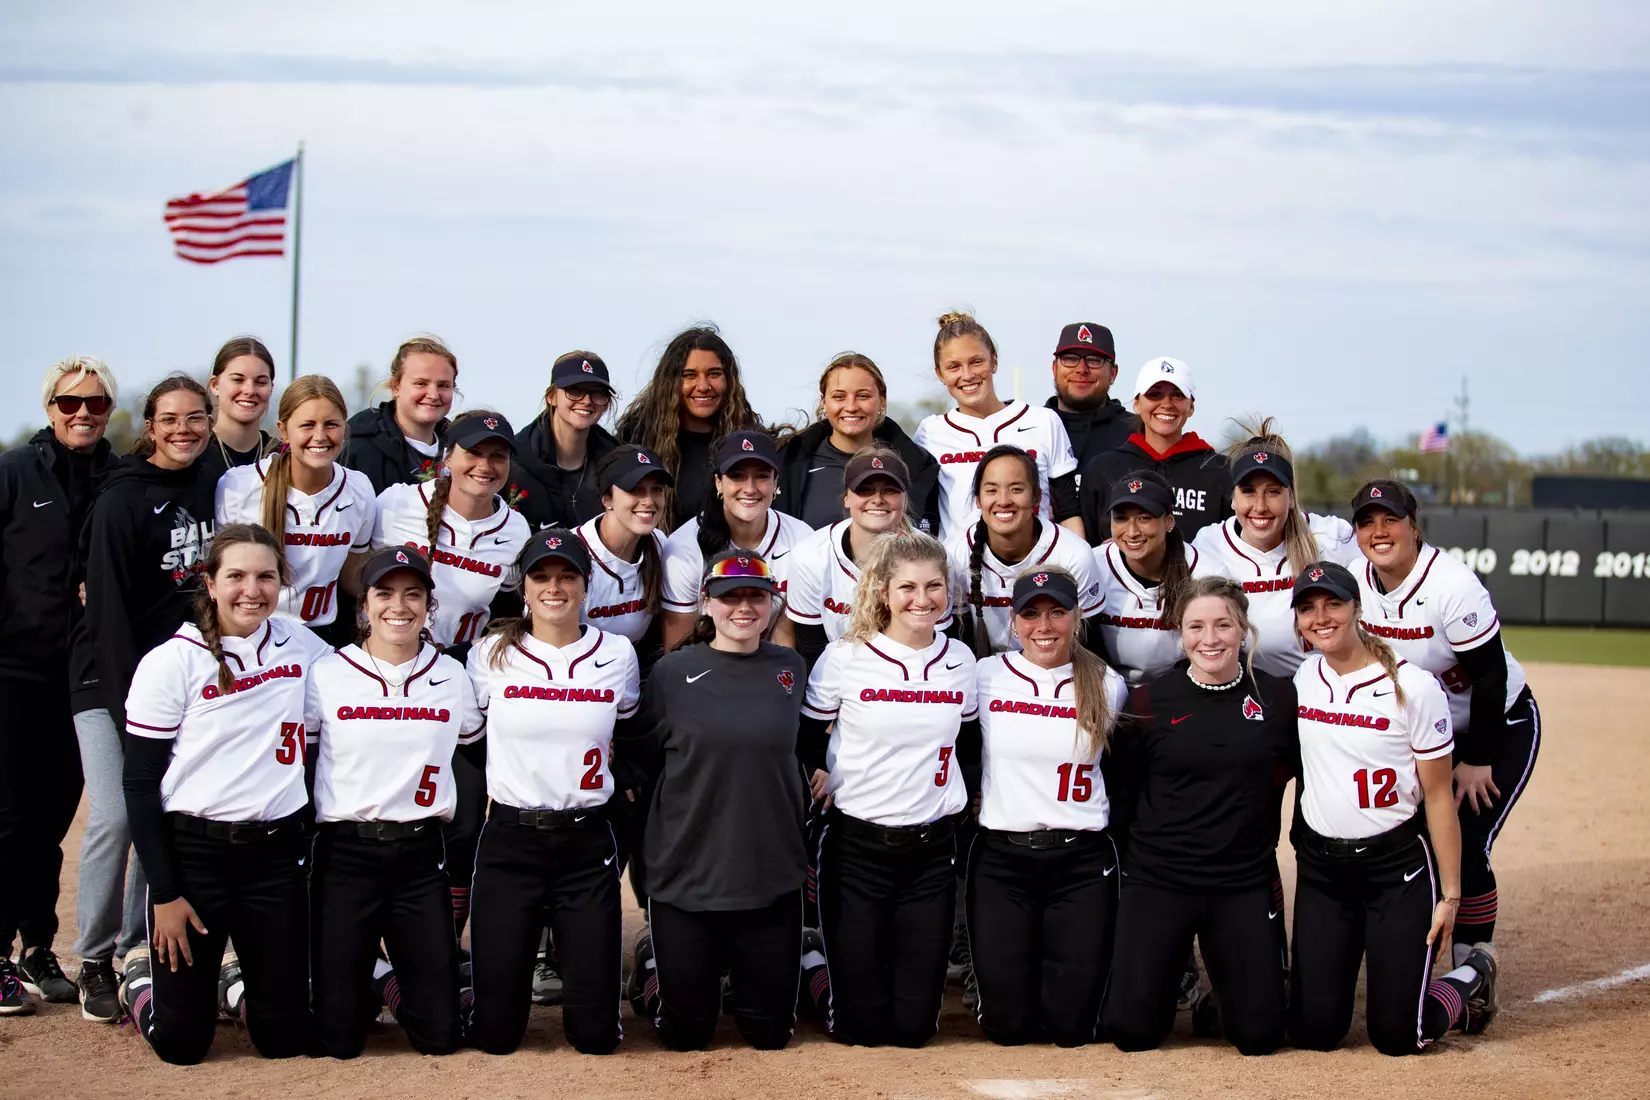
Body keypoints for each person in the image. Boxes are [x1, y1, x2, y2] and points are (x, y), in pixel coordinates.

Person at [115, 524, 331, 1065]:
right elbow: (140, 783)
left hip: (274, 860)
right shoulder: (173, 661)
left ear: (281, 583)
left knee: (284, 1041)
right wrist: (164, 894)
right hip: (195, 860)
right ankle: (138, 985)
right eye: (235, 576)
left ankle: (233, 985)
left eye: (265, 577)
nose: (251, 590)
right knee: (182, 1046)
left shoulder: (301, 644)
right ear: (209, 583)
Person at [1288, 561, 1500, 1053]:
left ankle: (1471, 977)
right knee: (1315, 1033)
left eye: (1333, 604)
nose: (1321, 616)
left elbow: (1438, 796)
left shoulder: (1415, 688)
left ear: (1357, 609)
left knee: (1399, 1035)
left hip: (1395, 872)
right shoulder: (1304, 679)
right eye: (1308, 608)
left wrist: (1450, 897)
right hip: (1324, 873)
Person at [1351, 479, 1539, 998]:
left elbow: (1490, 677)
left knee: (1467, 841)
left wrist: (1477, 759)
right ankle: (1415, 956)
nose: (1379, 531)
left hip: (1494, 722)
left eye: (1390, 519)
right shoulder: (1355, 582)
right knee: (1414, 842)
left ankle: (1472, 970)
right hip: (1427, 733)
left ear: (1414, 525)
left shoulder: (1451, 583)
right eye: (1367, 522)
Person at [620, 552, 810, 1050]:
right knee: (687, 1035)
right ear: (706, 604)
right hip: (687, 869)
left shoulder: (791, 669)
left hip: (769, 869)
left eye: (756, 596)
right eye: (730, 597)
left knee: (769, 1035)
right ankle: (655, 972)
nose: (743, 607)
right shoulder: (672, 674)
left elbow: (811, 743)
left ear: (773, 603)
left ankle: (799, 966)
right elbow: (641, 760)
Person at [1102, 577, 1296, 1055]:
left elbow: (1296, 772)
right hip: (1160, 879)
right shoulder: (1149, 702)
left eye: (1223, 625)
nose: (1210, 639)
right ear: (1180, 632)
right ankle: (1156, 985)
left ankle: (1221, 1000)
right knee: (1133, 1033)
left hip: (1241, 882)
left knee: (1260, 1038)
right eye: (1196, 626)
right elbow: (1123, 792)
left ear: (1243, 629)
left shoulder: (1276, 699)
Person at [800, 530, 978, 1047]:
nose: (921, 600)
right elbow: (808, 735)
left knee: (913, 1030)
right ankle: (813, 965)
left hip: (929, 851)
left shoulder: (960, 661)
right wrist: (820, 769)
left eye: (934, 587)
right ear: (882, 592)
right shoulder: (846, 657)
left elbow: (967, 743)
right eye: (907, 587)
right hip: (856, 849)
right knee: (860, 1029)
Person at [464, 531, 638, 1055]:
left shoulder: (617, 652)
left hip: (585, 841)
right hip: (512, 837)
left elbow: (625, 733)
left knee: (595, 1037)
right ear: (524, 586)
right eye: (542, 575)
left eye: (567, 576)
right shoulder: (490, 654)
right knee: (496, 1036)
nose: (554, 587)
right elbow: (470, 744)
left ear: (586, 586)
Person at [305, 545, 482, 1058]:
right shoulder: (328, 673)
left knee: (440, 1038)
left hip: (420, 859)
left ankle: (389, 980)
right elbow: (303, 758)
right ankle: (371, 975)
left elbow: (475, 750)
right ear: (364, 605)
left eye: (413, 594)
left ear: (431, 605)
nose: (398, 606)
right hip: (346, 857)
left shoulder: (453, 676)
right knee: (338, 1041)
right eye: (384, 593)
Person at [371, 410, 531, 943]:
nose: (484, 465)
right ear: (447, 455)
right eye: (473, 452)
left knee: (461, 817)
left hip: (455, 674)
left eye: (497, 456)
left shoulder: (515, 528)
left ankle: (439, 943)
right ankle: (369, 942)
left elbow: (510, 610)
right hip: (385, 670)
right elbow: (361, 578)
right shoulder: (396, 503)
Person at [0, 356, 118, 1018]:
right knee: (9, 818)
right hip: (14, 671)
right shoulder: (17, 471)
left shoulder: (115, 475)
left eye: (96, 404)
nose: (83, 413)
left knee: (51, 821)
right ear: (50, 407)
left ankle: (39, 948)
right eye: (70, 403)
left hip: (81, 676)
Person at [968, 569, 1128, 1046]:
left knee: (1072, 1030)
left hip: (1080, 860)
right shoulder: (984, 676)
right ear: (1013, 622)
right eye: (1031, 614)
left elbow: (1120, 768)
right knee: (1007, 1030)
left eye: (1057, 612)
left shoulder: (1106, 683)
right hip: (1003, 858)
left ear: (1076, 618)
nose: (1045, 625)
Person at [215, 375, 376, 644]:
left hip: (321, 637)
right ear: (284, 430)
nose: (320, 436)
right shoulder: (239, 486)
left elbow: (352, 580)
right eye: (307, 425)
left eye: (331, 425)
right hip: (248, 635)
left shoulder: (359, 489)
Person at [1192, 422, 1360, 677]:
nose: (1260, 506)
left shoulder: (1329, 535)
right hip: (1251, 692)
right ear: (1233, 498)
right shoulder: (1209, 544)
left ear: (1291, 497)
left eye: (1273, 492)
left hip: (1331, 689)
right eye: (1248, 492)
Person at [913, 311, 1082, 542]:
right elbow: (924, 518)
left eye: (976, 362)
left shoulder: (1043, 421)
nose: (967, 375)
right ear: (940, 374)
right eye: (954, 367)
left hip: (1035, 570)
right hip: (959, 573)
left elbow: (1068, 513)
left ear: (994, 360)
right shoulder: (930, 432)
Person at [772, 447, 936, 672]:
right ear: (847, 497)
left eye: (890, 490)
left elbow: (935, 643)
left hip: (912, 675)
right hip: (838, 676)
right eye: (865, 490)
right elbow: (812, 649)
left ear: (905, 499)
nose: (877, 499)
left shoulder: (931, 555)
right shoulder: (811, 554)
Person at [661, 430, 813, 649]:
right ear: (718, 483)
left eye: (762, 476)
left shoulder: (801, 538)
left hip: (771, 663)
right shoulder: (684, 546)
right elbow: (678, 650)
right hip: (704, 665)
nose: (750, 489)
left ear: (776, 482)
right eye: (737, 476)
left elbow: (786, 638)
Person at [950, 445, 1103, 657]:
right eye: (991, 490)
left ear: (1037, 497)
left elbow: (1088, 645)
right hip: (982, 674)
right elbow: (959, 642)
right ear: (978, 499)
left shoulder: (1073, 554)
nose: (1003, 501)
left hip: (1055, 669)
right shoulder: (955, 553)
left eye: (1016, 489)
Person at [774, 352, 941, 535]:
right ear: (824, 402)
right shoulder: (787, 463)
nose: (852, 406)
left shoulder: (916, 467)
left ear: (882, 401)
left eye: (863, 396)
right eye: (839, 397)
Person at [616, 325, 761, 530]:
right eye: (689, 375)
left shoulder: (752, 444)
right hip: (658, 559)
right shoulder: (637, 438)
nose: (703, 386)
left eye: (714, 373)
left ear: (729, 380)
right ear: (670, 382)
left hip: (732, 561)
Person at [1078, 357, 1231, 545]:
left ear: (1191, 406)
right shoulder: (1103, 469)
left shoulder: (1219, 471)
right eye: (1155, 395)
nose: (1166, 404)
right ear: (1137, 404)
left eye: (1178, 395)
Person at [1092, 471, 1197, 681]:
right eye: (1121, 518)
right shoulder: (1093, 565)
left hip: (1182, 690)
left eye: (1144, 518)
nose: (1131, 532)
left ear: (1168, 522)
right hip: (1106, 686)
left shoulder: (1203, 571)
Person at [572, 446, 672, 651]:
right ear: (606, 499)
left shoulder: (660, 543)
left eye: (657, 489)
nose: (648, 501)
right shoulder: (572, 551)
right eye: (635, 489)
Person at [509, 350, 622, 530]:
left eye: (597, 393)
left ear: (607, 402)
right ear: (551, 396)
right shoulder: (514, 459)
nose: (586, 401)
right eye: (574, 390)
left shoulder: (618, 464)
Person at [344, 337, 458, 493]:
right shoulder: (357, 449)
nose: (433, 394)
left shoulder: (465, 451)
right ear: (395, 386)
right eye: (421, 383)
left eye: (443, 385)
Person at [1046, 322, 1134, 472]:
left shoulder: (1137, 432)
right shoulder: (1033, 429)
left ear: (1113, 373)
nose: (1081, 369)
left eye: (1094, 360)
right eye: (1070, 359)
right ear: (1054, 368)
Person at [197, 337, 278, 481]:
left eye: (260, 382)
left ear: (271, 388)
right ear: (215, 385)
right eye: (237, 380)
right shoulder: (195, 455)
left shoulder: (282, 457)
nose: (249, 390)